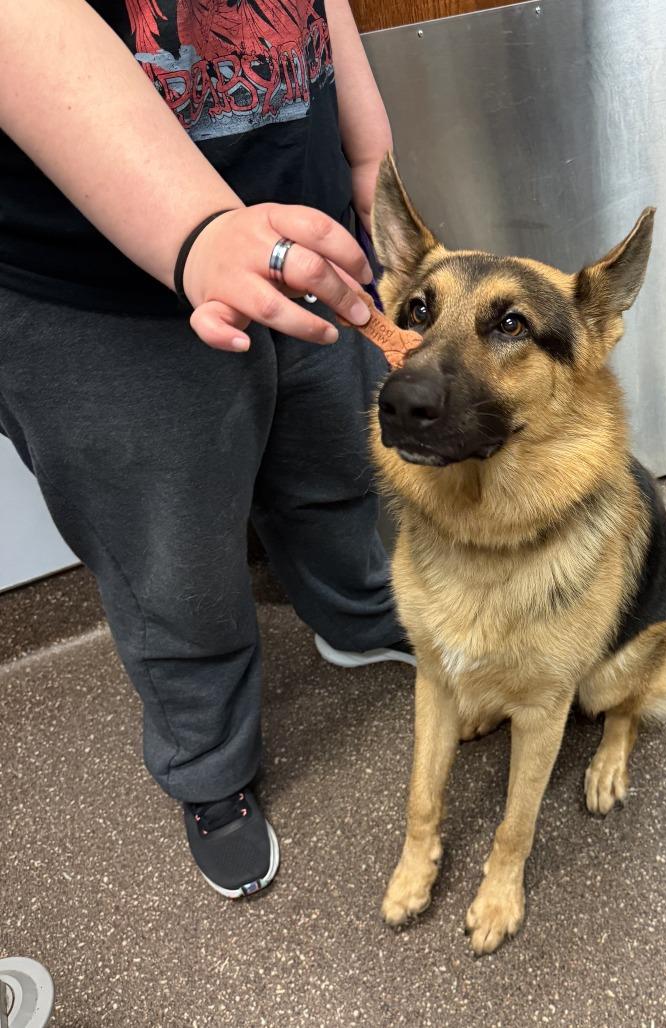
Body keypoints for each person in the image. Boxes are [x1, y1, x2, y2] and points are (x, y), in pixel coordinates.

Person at [0, 0, 414, 898]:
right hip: (91, 282)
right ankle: (207, 763)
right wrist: (195, 232)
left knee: (335, 463)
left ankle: (356, 616)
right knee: (170, 563)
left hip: (300, 216)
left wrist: (367, 145)